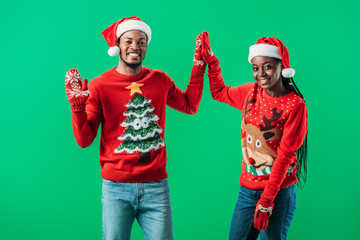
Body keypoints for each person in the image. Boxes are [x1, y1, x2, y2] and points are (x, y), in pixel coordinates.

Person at [64, 16, 206, 240]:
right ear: (118, 45)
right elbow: (84, 140)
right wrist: (78, 110)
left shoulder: (159, 79)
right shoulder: (99, 86)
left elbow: (189, 105)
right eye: (128, 41)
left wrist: (199, 66)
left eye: (141, 42)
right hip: (116, 188)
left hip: (156, 187)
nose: (135, 47)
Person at [200, 33, 308, 240]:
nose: (261, 74)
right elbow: (219, 92)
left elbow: (286, 154)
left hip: (278, 192)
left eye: (267, 66)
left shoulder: (295, 105)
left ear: (282, 66)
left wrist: (268, 199)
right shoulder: (251, 93)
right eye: (256, 68)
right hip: (247, 191)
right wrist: (212, 63)